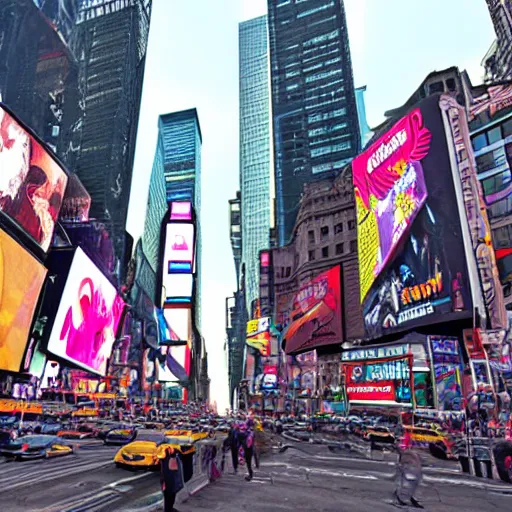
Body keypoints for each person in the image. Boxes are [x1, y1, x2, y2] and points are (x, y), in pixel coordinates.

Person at [157, 445, 184, 512]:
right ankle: (168, 509)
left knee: (171, 488)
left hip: (169, 461)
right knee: (170, 488)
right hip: (168, 462)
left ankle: (169, 508)